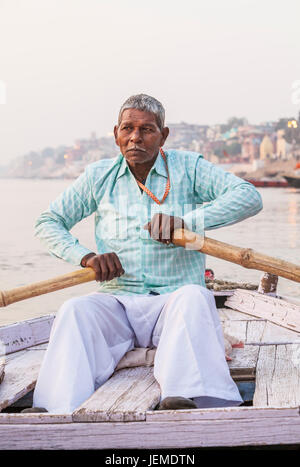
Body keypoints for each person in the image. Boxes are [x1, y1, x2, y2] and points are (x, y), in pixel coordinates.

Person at [26, 94, 263, 414]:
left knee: (195, 298)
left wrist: (186, 223)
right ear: (116, 134)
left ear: (163, 136)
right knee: (75, 310)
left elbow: (247, 196)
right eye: (128, 128)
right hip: (119, 301)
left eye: (147, 129)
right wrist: (86, 257)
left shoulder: (189, 167)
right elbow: (49, 222)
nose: (135, 137)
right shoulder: (99, 176)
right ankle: (55, 408)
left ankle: (183, 397)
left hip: (175, 301)